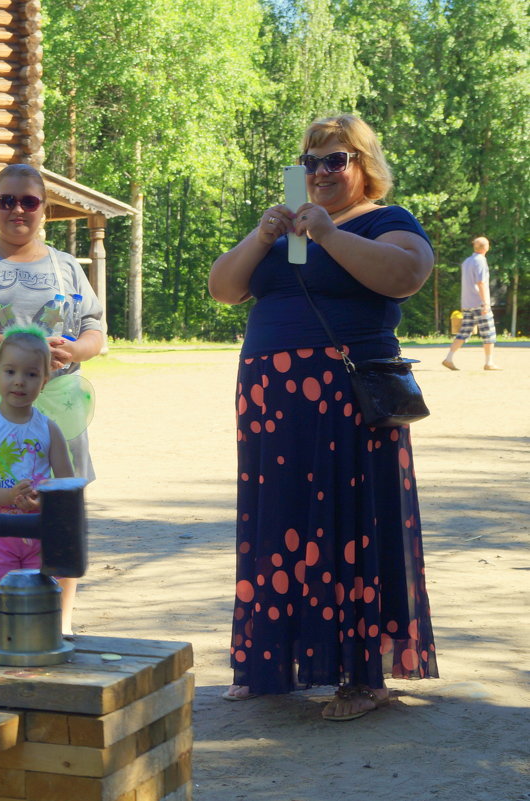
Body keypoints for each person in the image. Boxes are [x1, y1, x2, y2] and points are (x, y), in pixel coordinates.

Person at [208, 114, 438, 721]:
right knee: (276, 526)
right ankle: (268, 665)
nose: (320, 173)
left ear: (365, 165)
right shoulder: (284, 230)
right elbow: (224, 289)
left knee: (350, 526)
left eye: (335, 160)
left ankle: (364, 679)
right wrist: (261, 237)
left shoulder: (386, 221)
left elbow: (408, 273)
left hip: (346, 401)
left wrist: (330, 235)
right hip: (271, 403)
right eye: (310, 164)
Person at [0, 162, 105, 634]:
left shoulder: (66, 265)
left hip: (61, 407)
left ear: (44, 210)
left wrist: (75, 349)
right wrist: (23, 352)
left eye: (29, 201)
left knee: (61, 506)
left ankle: (62, 621)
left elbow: (95, 329)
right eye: (6, 200)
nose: (17, 209)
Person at [0, 327, 75, 630]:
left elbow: (68, 486)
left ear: (45, 380)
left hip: (39, 534)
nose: (20, 381)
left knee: (41, 618)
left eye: (32, 374)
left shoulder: (49, 429)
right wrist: (7, 498)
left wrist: (44, 500)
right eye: (10, 371)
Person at [443, 236, 501, 371]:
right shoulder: (480, 261)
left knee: (464, 332)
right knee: (489, 333)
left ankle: (449, 358)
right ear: (486, 247)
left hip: (467, 303)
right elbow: (481, 283)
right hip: (479, 303)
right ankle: (489, 362)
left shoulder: (467, 261)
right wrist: (486, 303)